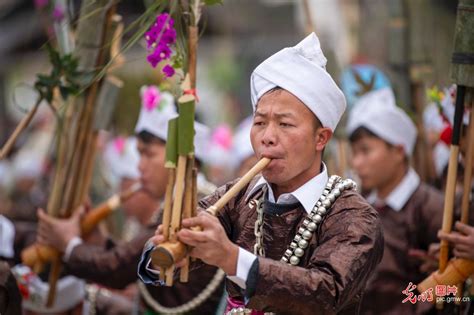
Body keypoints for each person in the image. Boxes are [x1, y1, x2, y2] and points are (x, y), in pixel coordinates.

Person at [139, 33, 384, 315]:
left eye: (285, 124)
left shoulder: (354, 216)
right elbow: (187, 225)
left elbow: (325, 292)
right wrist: (167, 249)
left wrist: (231, 258)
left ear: (321, 138)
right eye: (260, 122)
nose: (267, 137)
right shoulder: (239, 196)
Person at [37, 86, 224, 314]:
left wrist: (68, 244)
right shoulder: (182, 200)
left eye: (148, 154)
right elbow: (132, 260)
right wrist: (98, 241)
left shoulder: (194, 205)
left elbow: (117, 268)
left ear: (181, 158)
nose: (139, 166)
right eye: (139, 154)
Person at [346, 88, 444, 314]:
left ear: (399, 150)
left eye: (365, 151)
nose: (357, 163)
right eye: (354, 153)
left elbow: (452, 290)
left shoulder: (431, 208)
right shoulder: (361, 210)